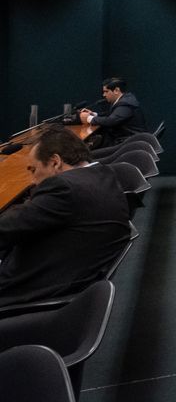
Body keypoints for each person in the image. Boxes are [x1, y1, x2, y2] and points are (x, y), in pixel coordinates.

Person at [0, 125, 130, 306]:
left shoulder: (63, 188)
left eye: (33, 170)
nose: (32, 180)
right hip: (74, 276)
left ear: (55, 162)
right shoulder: (104, 174)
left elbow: (5, 229)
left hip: (34, 290)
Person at [79, 77, 146, 148]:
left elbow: (111, 120)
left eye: (106, 91)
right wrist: (94, 114)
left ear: (116, 90)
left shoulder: (126, 103)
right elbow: (112, 114)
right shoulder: (125, 100)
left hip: (130, 143)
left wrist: (89, 118)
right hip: (126, 140)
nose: (104, 95)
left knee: (92, 152)